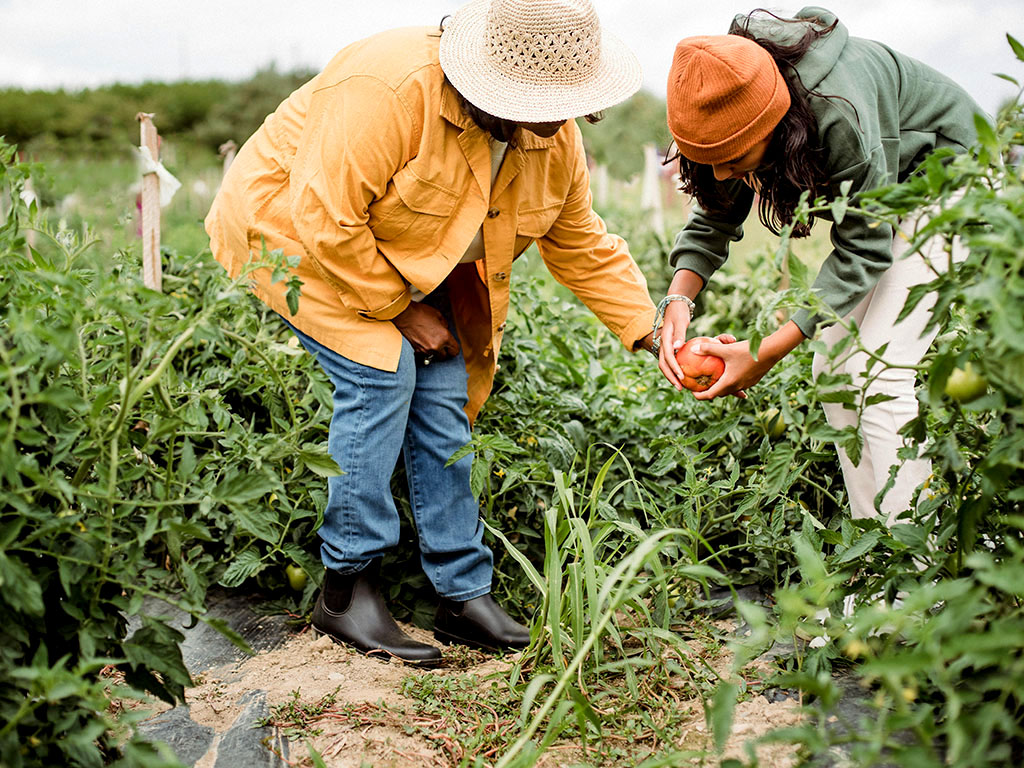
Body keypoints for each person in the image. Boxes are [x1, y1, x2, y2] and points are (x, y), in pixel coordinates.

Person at [204, 0, 658, 666]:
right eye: (539, 104)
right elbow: (325, 218)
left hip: (403, 254)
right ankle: (346, 586)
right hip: (292, 236)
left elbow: (581, 242)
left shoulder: (551, 135)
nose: (555, 122)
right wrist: (400, 309)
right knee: (382, 370)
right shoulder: (390, 88)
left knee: (443, 390)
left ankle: (461, 594)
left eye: (567, 105)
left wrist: (651, 332)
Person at [656, 7, 983, 524]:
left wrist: (762, 353)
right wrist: (678, 299)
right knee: (832, 366)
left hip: (952, 182)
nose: (721, 172)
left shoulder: (838, 111)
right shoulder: (726, 93)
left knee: (877, 371)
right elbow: (714, 217)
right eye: (708, 158)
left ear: (776, 125)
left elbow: (864, 249)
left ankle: (914, 578)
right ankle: (872, 555)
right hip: (894, 195)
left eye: (735, 158)